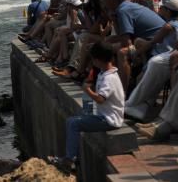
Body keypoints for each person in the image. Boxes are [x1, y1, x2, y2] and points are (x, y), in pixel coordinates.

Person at [49, 41, 124, 175]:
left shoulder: (110, 78)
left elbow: (101, 99)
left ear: (97, 60)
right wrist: (88, 92)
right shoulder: (104, 73)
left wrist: (88, 90)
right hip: (104, 114)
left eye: (93, 60)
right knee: (77, 114)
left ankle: (69, 160)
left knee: (73, 123)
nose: (92, 63)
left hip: (110, 120)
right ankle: (72, 156)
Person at [102, 0, 165, 91]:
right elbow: (122, 35)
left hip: (156, 44)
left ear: (112, 0)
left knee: (121, 52)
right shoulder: (126, 7)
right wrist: (114, 21)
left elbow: (126, 43)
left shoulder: (123, 10)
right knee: (107, 41)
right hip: (146, 40)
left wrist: (107, 47)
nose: (103, 0)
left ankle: (122, 89)